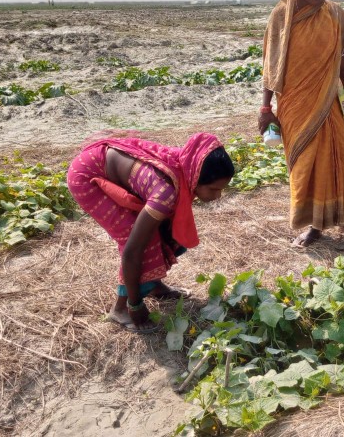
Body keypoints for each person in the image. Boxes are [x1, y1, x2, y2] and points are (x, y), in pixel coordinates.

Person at [67, 133, 234, 333]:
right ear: (196, 177)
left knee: (166, 228)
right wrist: (135, 304)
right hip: (86, 174)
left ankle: (153, 286)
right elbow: (132, 250)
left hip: (111, 165)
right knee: (140, 238)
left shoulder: (187, 164)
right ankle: (120, 308)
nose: (218, 196)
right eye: (213, 189)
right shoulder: (165, 191)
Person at [260, 0, 344, 247]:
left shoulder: (335, 15)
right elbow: (271, 64)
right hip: (295, 103)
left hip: (329, 102)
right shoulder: (282, 16)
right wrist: (265, 107)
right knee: (304, 164)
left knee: (339, 161)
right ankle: (314, 226)